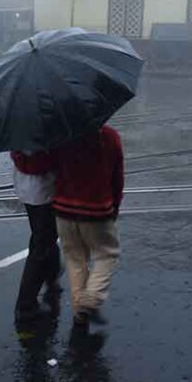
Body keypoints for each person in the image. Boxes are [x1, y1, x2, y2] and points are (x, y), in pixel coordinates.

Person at [52, 125, 124, 327]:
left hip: (63, 209)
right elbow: (117, 177)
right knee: (107, 254)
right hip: (96, 210)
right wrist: (115, 207)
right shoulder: (109, 136)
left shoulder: (60, 134)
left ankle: (79, 311)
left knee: (75, 260)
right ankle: (91, 299)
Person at [10, 150, 61, 331]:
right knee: (42, 244)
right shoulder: (46, 127)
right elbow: (46, 160)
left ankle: (52, 276)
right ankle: (25, 306)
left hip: (26, 183)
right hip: (45, 187)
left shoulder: (20, 124)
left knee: (44, 236)